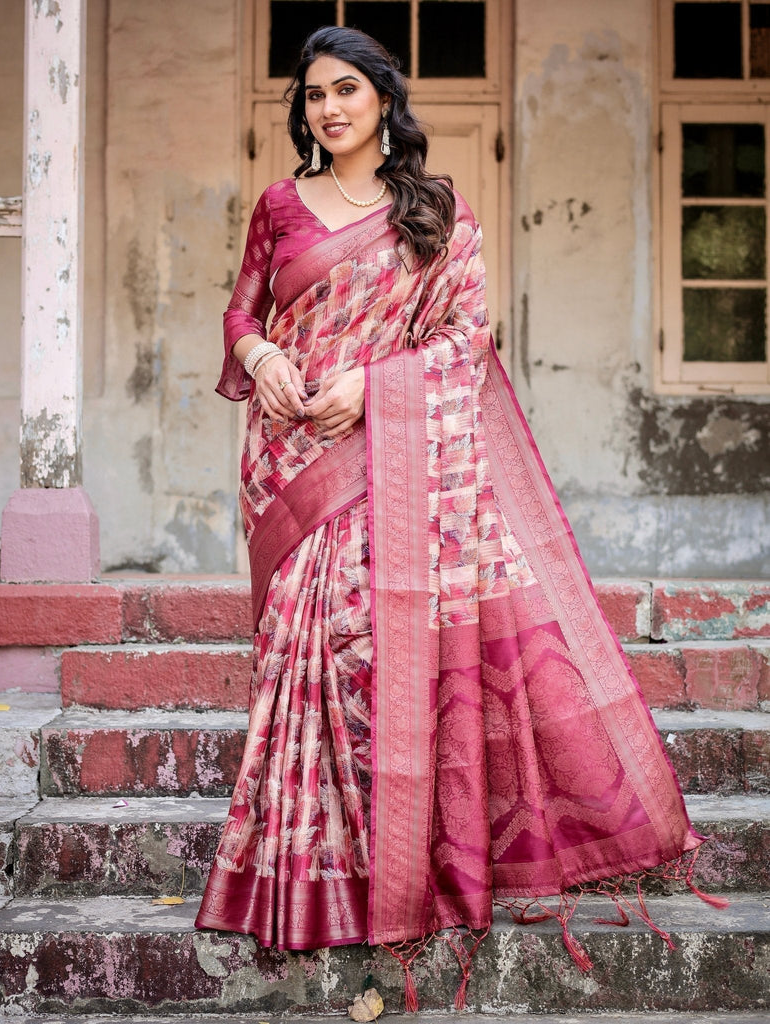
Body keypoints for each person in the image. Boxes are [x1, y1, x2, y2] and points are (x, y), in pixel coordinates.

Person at [196, 25, 718, 1008]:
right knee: (302, 658)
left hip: (384, 467)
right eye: (313, 96)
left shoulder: (433, 211)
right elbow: (242, 312)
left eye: (347, 89)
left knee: (367, 654)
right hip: (292, 465)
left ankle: (389, 870)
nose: (329, 108)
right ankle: (309, 874)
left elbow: (465, 342)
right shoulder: (278, 206)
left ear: (384, 101)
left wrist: (373, 386)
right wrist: (262, 355)